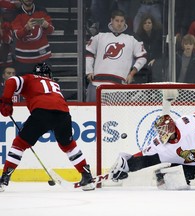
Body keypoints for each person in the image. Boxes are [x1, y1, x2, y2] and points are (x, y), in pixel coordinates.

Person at [0, 63, 95, 192]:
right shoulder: (54, 84)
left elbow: (11, 81)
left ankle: (4, 179)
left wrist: (6, 101)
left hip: (42, 112)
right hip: (63, 113)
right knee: (68, 145)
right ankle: (87, 176)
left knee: (20, 144)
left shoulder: (30, 78)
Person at [110, 110, 195, 187]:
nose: (164, 135)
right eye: (161, 133)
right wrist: (126, 166)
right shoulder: (159, 146)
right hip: (187, 165)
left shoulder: (187, 124)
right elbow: (143, 158)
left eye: (166, 132)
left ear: (172, 127)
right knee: (166, 181)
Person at [85, 9, 147, 102]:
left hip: (119, 85)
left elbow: (142, 57)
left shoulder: (133, 38)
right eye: (117, 20)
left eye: (122, 21)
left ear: (125, 21)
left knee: (116, 115)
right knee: (92, 112)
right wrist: (89, 71)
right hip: (97, 83)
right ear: (111, 20)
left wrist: (131, 73)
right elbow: (89, 52)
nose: (119, 23)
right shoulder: (100, 35)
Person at [11, 0, 54, 75]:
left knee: (43, 84)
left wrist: (47, 26)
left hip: (42, 56)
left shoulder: (42, 10)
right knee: (26, 85)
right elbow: (17, 35)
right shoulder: (16, 13)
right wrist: (26, 29)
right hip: (23, 59)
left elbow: (51, 30)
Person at [135, 13, 162, 83]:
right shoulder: (138, 36)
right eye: (145, 23)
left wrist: (155, 59)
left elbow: (163, 50)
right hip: (144, 61)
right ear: (142, 25)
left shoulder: (159, 34)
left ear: (152, 24)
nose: (147, 24)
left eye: (149, 23)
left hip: (157, 59)